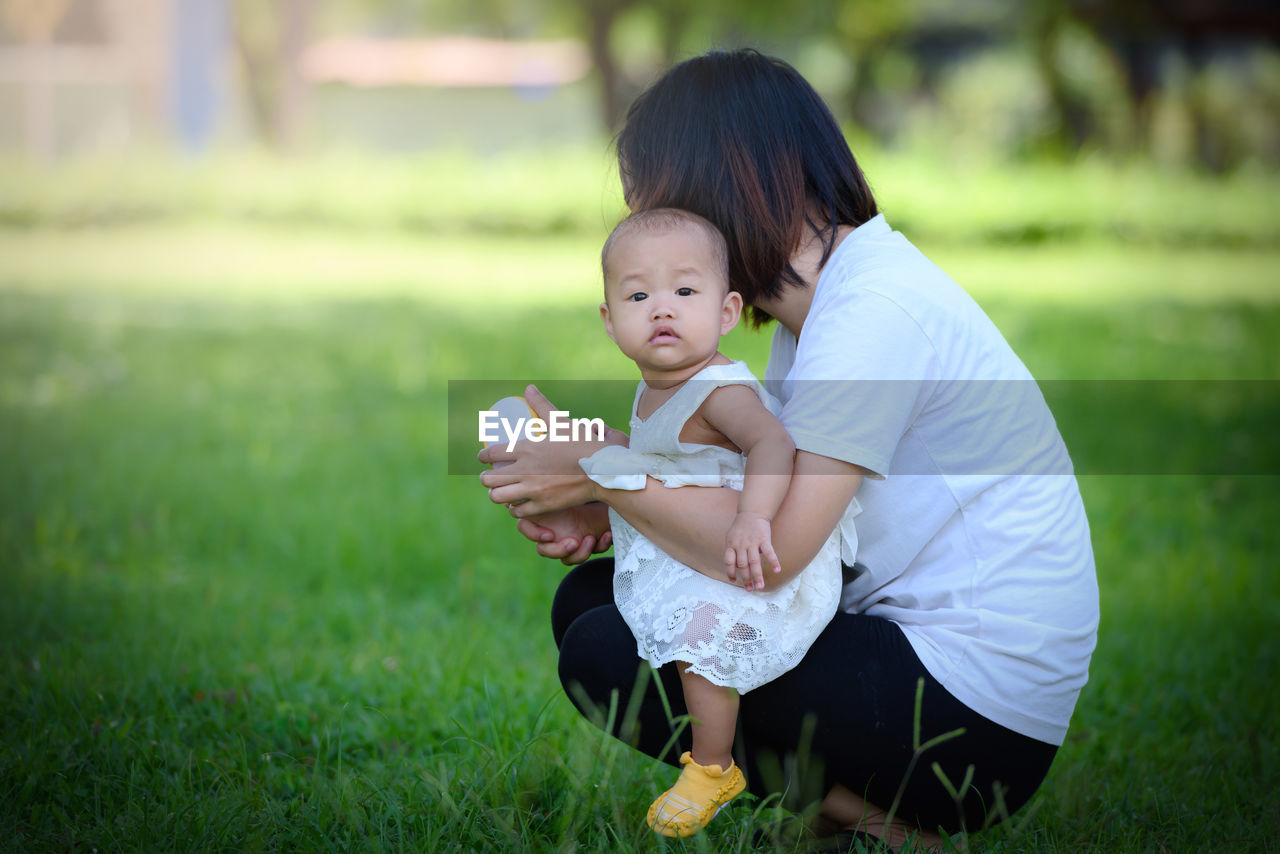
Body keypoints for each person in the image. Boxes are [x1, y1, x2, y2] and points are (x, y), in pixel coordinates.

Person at [479, 48, 1098, 851]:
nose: (651, 241)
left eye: (655, 206)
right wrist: (611, 506)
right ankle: (849, 812)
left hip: (976, 721)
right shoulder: (824, 314)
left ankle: (879, 824)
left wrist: (606, 467)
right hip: (923, 668)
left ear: (717, 183)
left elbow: (774, 557)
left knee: (607, 648)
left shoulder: (873, 314)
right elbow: (742, 505)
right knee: (594, 605)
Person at [581, 206, 843, 837]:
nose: (662, 308)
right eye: (639, 294)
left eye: (685, 291)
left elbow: (773, 445)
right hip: (705, 544)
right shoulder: (657, 387)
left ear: (726, 313)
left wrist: (754, 518)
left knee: (699, 635)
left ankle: (713, 765)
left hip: (753, 553)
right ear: (610, 321)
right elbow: (660, 471)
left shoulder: (718, 389)